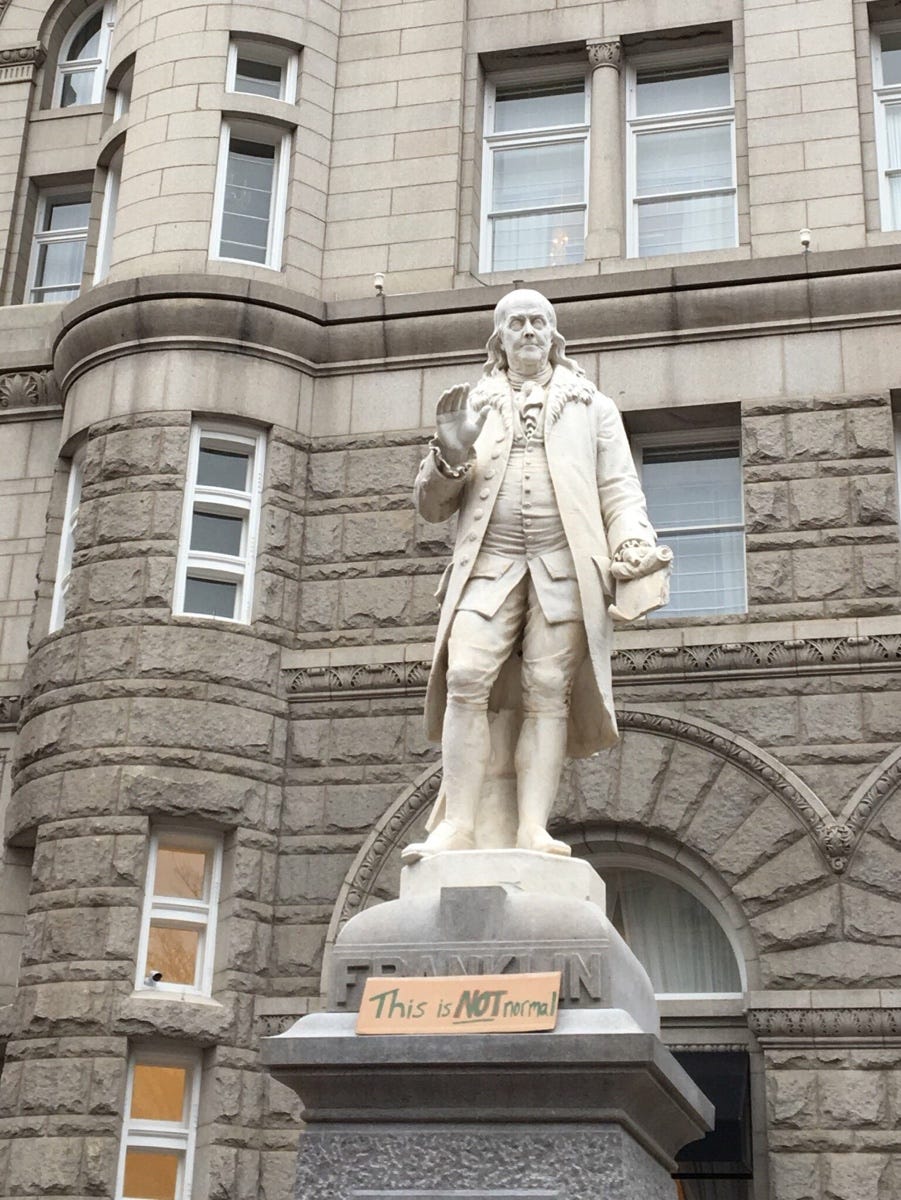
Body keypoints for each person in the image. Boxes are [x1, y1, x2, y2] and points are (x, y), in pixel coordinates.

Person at [402, 289, 666, 862]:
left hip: (563, 566)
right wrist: (449, 455)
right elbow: (431, 507)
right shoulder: (472, 405)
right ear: (498, 338)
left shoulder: (593, 406)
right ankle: (458, 825)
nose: (528, 330)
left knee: (548, 692)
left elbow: (620, 489)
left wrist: (633, 541)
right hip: (489, 565)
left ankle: (531, 828)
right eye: (517, 322)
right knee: (465, 676)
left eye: (539, 322)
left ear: (554, 335)